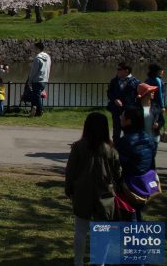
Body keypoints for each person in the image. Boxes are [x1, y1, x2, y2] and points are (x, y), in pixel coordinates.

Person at [65, 112, 122, 266]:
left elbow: (71, 170)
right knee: (102, 231)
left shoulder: (79, 146)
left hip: (82, 191)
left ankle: (78, 261)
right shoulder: (111, 149)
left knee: (81, 230)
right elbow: (117, 173)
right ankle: (100, 262)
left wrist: (69, 188)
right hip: (104, 193)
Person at [115, 106, 156, 221]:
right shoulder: (148, 139)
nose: (120, 117)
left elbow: (118, 165)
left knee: (129, 215)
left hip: (130, 185)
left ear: (129, 121)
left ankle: (132, 236)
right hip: (145, 183)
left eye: (123, 116)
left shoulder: (126, 141)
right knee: (137, 214)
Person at [106, 62, 140, 142]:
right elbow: (109, 92)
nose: (117, 71)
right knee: (116, 129)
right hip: (116, 109)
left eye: (119, 69)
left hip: (129, 110)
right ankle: (115, 148)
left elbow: (139, 95)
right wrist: (114, 99)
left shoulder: (136, 82)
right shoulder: (114, 81)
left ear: (126, 71)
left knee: (128, 130)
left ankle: (127, 148)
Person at [136, 83, 164, 168]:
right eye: (151, 91)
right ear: (144, 93)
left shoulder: (155, 106)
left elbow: (162, 120)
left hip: (153, 139)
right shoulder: (135, 109)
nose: (153, 93)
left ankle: (152, 176)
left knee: (151, 160)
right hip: (140, 140)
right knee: (141, 161)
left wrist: (158, 124)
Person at [25, 41, 51, 117]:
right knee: (36, 95)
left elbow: (33, 71)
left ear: (38, 48)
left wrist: (30, 80)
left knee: (37, 96)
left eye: (34, 48)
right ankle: (34, 111)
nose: (33, 49)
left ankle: (39, 111)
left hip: (37, 80)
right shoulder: (48, 57)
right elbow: (49, 68)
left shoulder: (37, 58)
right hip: (45, 79)